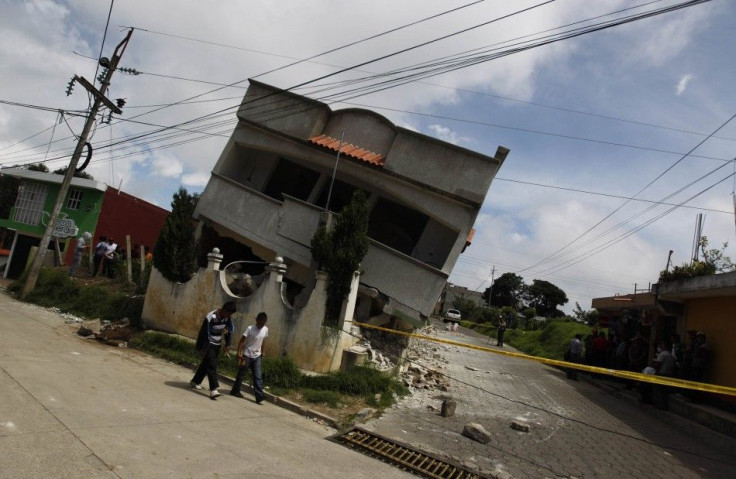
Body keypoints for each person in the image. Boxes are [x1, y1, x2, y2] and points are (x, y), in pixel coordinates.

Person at [190, 301, 237, 399]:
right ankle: (213, 389)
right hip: (209, 344)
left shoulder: (227, 317)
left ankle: (195, 381)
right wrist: (199, 347)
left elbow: (228, 331)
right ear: (223, 310)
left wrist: (228, 344)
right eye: (228, 313)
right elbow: (202, 332)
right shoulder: (211, 317)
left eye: (230, 314)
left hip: (217, 344)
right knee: (212, 365)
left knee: (206, 364)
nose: (228, 316)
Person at [230, 312, 269, 404]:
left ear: (265, 322)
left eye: (262, 323)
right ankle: (235, 391)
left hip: (257, 356)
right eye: (259, 323)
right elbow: (242, 341)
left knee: (258, 376)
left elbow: (263, 341)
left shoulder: (265, 329)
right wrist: (239, 353)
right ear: (256, 320)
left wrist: (263, 352)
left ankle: (259, 396)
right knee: (241, 374)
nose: (260, 325)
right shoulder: (250, 328)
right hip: (246, 355)